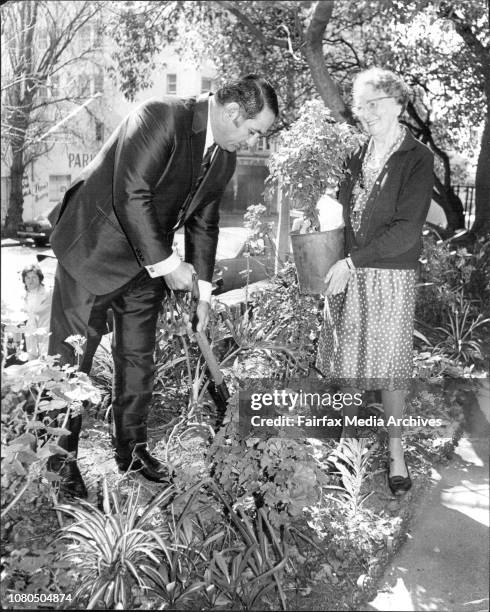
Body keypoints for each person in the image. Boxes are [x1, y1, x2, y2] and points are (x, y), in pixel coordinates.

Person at [47, 74, 279, 497]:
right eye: (253, 130)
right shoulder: (161, 116)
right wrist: (170, 264)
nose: (251, 140)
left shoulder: (222, 156)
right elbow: (131, 193)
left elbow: (204, 223)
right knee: (70, 363)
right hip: (93, 252)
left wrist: (203, 293)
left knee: (138, 359)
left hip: (144, 264)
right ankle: (59, 463)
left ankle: (132, 451)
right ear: (231, 112)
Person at [317, 67, 434, 495]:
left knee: (390, 371)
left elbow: (407, 228)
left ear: (398, 105)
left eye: (373, 105)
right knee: (348, 361)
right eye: (359, 105)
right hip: (350, 268)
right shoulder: (357, 154)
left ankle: (397, 454)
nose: (364, 113)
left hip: (389, 276)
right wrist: (319, 216)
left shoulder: (417, 158)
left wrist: (353, 262)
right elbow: (342, 210)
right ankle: (348, 445)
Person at [21, 264, 52, 358]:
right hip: (29, 330)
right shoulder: (22, 295)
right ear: (24, 280)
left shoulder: (49, 293)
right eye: (28, 277)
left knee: (45, 359)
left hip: (46, 330)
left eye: (34, 277)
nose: (31, 280)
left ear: (40, 278)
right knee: (31, 359)